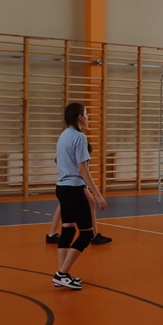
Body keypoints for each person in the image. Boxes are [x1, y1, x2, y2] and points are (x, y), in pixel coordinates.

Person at [52, 102, 107, 290]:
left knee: (68, 230)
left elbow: (58, 160)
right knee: (86, 234)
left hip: (61, 188)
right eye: (86, 114)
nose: (88, 117)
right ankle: (62, 274)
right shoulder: (80, 137)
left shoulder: (63, 135)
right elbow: (83, 169)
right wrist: (97, 195)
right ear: (79, 117)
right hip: (74, 189)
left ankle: (62, 274)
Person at [46, 137, 112, 245]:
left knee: (64, 205)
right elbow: (83, 171)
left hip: (66, 184)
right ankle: (94, 235)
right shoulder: (77, 153)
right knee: (90, 202)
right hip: (73, 184)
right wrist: (97, 194)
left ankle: (51, 234)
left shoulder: (68, 147)